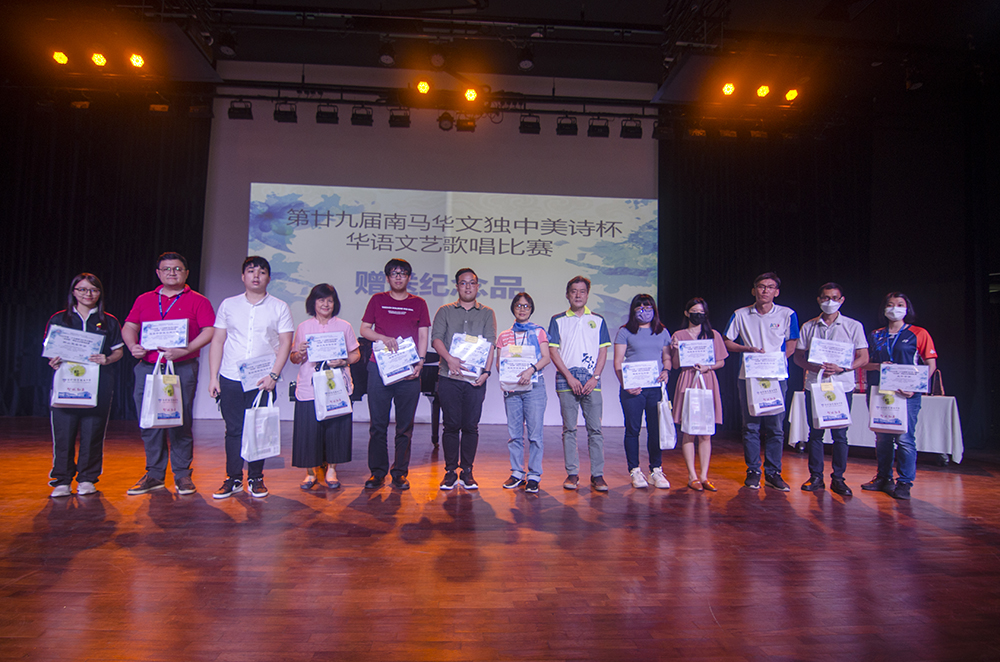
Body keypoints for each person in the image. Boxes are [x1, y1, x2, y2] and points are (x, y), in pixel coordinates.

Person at [122, 252, 216, 496]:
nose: (172, 273)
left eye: (177, 269)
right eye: (166, 269)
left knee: (180, 420)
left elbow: (208, 331)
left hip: (182, 367)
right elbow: (130, 325)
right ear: (158, 273)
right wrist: (132, 345)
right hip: (148, 367)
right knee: (149, 420)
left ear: (186, 273)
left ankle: (182, 475)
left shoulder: (198, 300)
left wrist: (185, 349)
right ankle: (154, 474)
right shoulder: (144, 299)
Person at [207, 256, 294, 499]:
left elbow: (286, 343)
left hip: (262, 379)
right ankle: (233, 478)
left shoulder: (279, 307)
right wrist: (213, 377)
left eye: (262, 272)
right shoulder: (228, 305)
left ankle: (256, 478)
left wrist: (274, 375)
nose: (256, 276)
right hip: (231, 376)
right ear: (243, 276)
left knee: (259, 428)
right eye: (251, 271)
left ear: (269, 278)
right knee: (233, 429)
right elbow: (218, 340)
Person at [45, 273, 124, 497]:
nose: (88, 294)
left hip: (98, 385)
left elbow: (118, 351)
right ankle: (62, 480)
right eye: (82, 289)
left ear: (99, 293)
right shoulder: (59, 319)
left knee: (93, 432)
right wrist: (53, 360)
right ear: (73, 292)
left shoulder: (109, 321)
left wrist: (107, 359)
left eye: (93, 290)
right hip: (66, 384)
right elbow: (50, 350)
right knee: (63, 433)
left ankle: (88, 479)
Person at [724, 272, 799, 491]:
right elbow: (727, 341)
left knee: (776, 427)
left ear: (777, 292)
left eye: (770, 287)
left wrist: (774, 363)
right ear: (753, 290)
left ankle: (773, 472)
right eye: (761, 286)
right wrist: (747, 349)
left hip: (776, 377)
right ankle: (753, 471)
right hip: (749, 376)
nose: (765, 290)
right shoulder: (740, 314)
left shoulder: (787, 313)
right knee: (750, 426)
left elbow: (792, 343)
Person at [359, 259, 430, 491]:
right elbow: (364, 329)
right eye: (394, 273)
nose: (398, 277)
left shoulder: (419, 303)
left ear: (409, 277)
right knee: (377, 425)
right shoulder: (377, 300)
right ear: (387, 277)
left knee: (404, 426)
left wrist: (421, 361)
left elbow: (423, 335)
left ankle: (399, 473)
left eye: (403, 273)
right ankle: (377, 473)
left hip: (408, 370)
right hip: (379, 369)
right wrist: (383, 338)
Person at [793, 283, 869, 496]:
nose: (830, 302)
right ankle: (816, 476)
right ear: (819, 300)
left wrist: (843, 367)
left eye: (834, 298)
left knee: (840, 434)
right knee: (815, 433)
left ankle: (839, 478)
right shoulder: (809, 326)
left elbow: (864, 357)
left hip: (842, 386)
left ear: (842, 300)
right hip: (815, 385)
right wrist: (813, 367)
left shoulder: (853, 326)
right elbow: (798, 357)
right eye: (825, 298)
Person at [862, 292, 937, 500]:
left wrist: (916, 387)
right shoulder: (876, 335)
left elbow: (930, 364)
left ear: (907, 308)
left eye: (899, 304)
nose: (894, 308)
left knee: (905, 438)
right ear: (884, 309)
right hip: (880, 392)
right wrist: (878, 366)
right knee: (882, 437)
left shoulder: (919, 333)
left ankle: (904, 482)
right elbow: (863, 362)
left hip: (906, 394)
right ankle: (883, 478)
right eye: (890, 304)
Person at [289, 284, 361, 490]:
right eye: (321, 300)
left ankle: (331, 470)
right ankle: (310, 473)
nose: (326, 304)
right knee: (308, 430)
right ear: (313, 302)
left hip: (335, 386)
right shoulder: (304, 327)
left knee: (335, 429)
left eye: (330, 300)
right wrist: (299, 352)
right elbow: (294, 358)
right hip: (309, 386)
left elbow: (356, 354)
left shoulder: (344, 326)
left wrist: (344, 361)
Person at [430, 268, 497, 491]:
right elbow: (436, 339)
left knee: (470, 426)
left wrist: (486, 372)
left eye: (472, 282)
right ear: (457, 286)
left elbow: (490, 344)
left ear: (477, 286)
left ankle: (467, 471)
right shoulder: (445, 311)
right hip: (448, 376)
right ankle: (450, 472)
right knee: (450, 426)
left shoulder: (487, 313)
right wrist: (449, 359)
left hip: (475, 379)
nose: (468, 287)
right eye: (463, 283)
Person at [548, 276, 611, 492]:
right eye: (573, 291)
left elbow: (603, 351)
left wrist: (595, 377)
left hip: (592, 380)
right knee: (569, 429)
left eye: (582, 291)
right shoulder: (557, 320)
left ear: (587, 294)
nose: (578, 295)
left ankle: (598, 475)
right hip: (566, 379)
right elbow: (553, 351)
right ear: (567, 294)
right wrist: (569, 377)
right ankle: (572, 474)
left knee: (595, 429)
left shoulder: (598, 320)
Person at [613, 294, 672, 489]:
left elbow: (667, 358)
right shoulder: (625, 331)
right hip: (632, 389)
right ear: (633, 310)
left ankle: (656, 470)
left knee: (655, 429)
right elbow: (618, 361)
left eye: (647, 307)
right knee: (633, 429)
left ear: (654, 310)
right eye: (639, 307)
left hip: (655, 387)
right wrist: (625, 384)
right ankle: (635, 471)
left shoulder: (662, 331)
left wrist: (666, 370)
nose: (643, 311)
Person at [669, 298, 728, 491]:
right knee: (688, 430)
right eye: (694, 311)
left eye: (702, 312)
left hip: (707, 380)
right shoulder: (679, 335)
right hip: (688, 380)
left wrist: (707, 367)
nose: (698, 315)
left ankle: (704, 476)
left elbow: (721, 361)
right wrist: (675, 350)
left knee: (706, 431)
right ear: (687, 313)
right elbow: (675, 365)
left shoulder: (713, 334)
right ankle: (692, 476)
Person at [496, 292, 551, 494]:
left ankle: (534, 475)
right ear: (513, 308)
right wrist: (509, 375)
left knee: (535, 435)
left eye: (526, 306)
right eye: (518, 305)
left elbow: (546, 358)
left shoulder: (538, 332)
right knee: (514, 435)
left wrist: (530, 371)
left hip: (534, 387)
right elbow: (499, 363)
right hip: (512, 389)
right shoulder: (504, 335)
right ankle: (517, 473)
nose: (522, 309)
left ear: (531, 309)